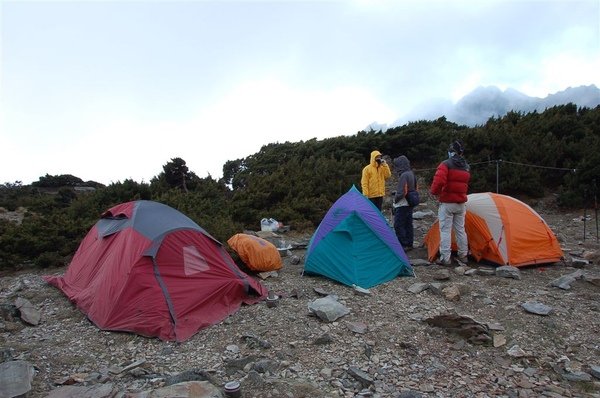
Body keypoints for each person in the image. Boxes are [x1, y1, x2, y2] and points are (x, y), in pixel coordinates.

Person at [430, 140, 471, 265]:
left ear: (451, 151)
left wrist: (434, 192)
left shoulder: (445, 164)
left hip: (447, 202)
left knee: (445, 230)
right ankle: (463, 255)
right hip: (461, 203)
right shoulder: (466, 167)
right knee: (460, 229)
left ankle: (445, 258)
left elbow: (439, 181)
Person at [392, 155, 417, 251]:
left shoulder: (403, 175)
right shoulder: (411, 173)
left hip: (402, 204)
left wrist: (395, 200)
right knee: (408, 224)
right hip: (410, 203)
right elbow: (415, 188)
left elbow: (402, 192)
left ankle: (403, 244)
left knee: (398, 225)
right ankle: (409, 243)